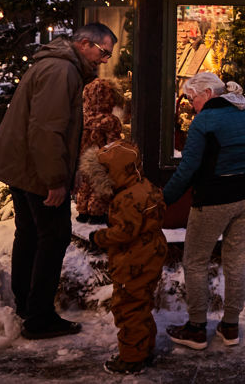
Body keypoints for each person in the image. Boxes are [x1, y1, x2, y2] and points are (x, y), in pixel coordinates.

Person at [0, 23, 116, 339]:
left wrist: (62, 172)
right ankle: (39, 317)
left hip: (26, 166)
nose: (104, 60)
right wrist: (55, 180)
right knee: (53, 236)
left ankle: (27, 306)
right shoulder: (61, 71)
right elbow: (46, 130)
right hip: (36, 171)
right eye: (103, 52)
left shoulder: (57, 65)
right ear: (85, 43)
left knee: (30, 234)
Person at [162, 71, 245, 350]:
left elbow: (188, 167)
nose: (191, 105)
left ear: (208, 94)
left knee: (196, 261)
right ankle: (230, 326)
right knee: (237, 260)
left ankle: (197, 328)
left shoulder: (205, 121)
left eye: (192, 99)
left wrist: (164, 199)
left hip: (214, 197)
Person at [90, 140, 167, 375]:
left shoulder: (127, 199)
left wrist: (99, 237)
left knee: (128, 308)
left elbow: (125, 232)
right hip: (152, 252)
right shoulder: (145, 186)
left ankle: (132, 358)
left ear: (115, 172)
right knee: (141, 303)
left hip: (133, 259)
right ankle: (144, 348)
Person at [74, 78, 126, 224]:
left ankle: (82, 211)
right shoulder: (110, 120)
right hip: (100, 157)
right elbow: (113, 142)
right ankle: (96, 213)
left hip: (83, 156)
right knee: (100, 186)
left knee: (85, 185)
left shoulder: (84, 118)